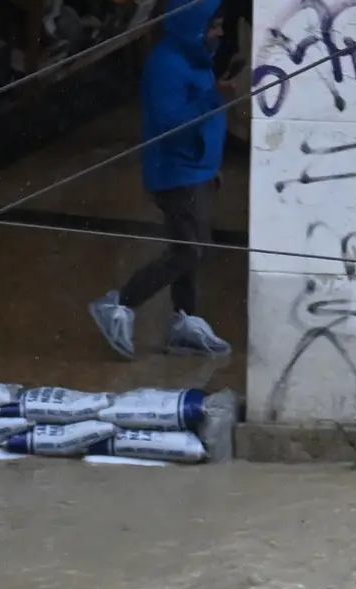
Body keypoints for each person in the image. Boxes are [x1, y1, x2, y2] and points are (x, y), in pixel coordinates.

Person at [88, 0, 235, 360]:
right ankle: (120, 303)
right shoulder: (167, 65)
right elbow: (172, 124)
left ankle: (186, 323)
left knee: (195, 249)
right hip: (176, 172)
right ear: (193, 26)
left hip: (196, 169)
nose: (219, 33)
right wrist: (216, 96)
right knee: (188, 250)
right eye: (213, 26)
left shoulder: (193, 58)